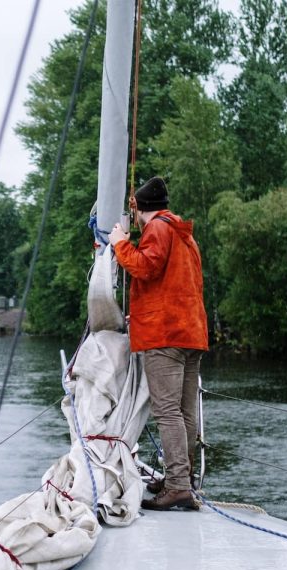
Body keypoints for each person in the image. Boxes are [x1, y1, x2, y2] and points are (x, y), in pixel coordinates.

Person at [107, 176, 208, 511]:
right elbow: (171, 285)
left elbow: (145, 267)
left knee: (167, 412)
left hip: (165, 336)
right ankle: (182, 479)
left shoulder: (157, 229)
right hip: (191, 332)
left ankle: (177, 486)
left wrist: (120, 243)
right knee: (184, 411)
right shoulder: (183, 234)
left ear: (142, 210)